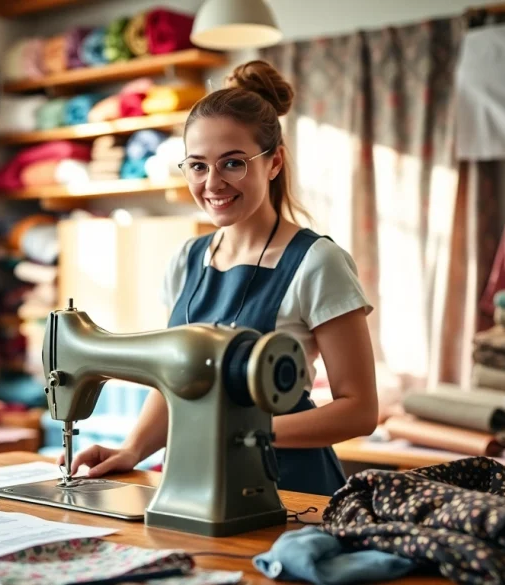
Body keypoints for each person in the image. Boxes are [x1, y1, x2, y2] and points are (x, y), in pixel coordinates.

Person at [58, 60, 378, 497]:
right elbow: (178, 382)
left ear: (274, 162)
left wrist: (239, 431)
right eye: (197, 165)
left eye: (232, 163)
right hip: (190, 483)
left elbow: (358, 411)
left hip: (289, 490)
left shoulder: (317, 262)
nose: (212, 183)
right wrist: (131, 450)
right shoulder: (186, 260)